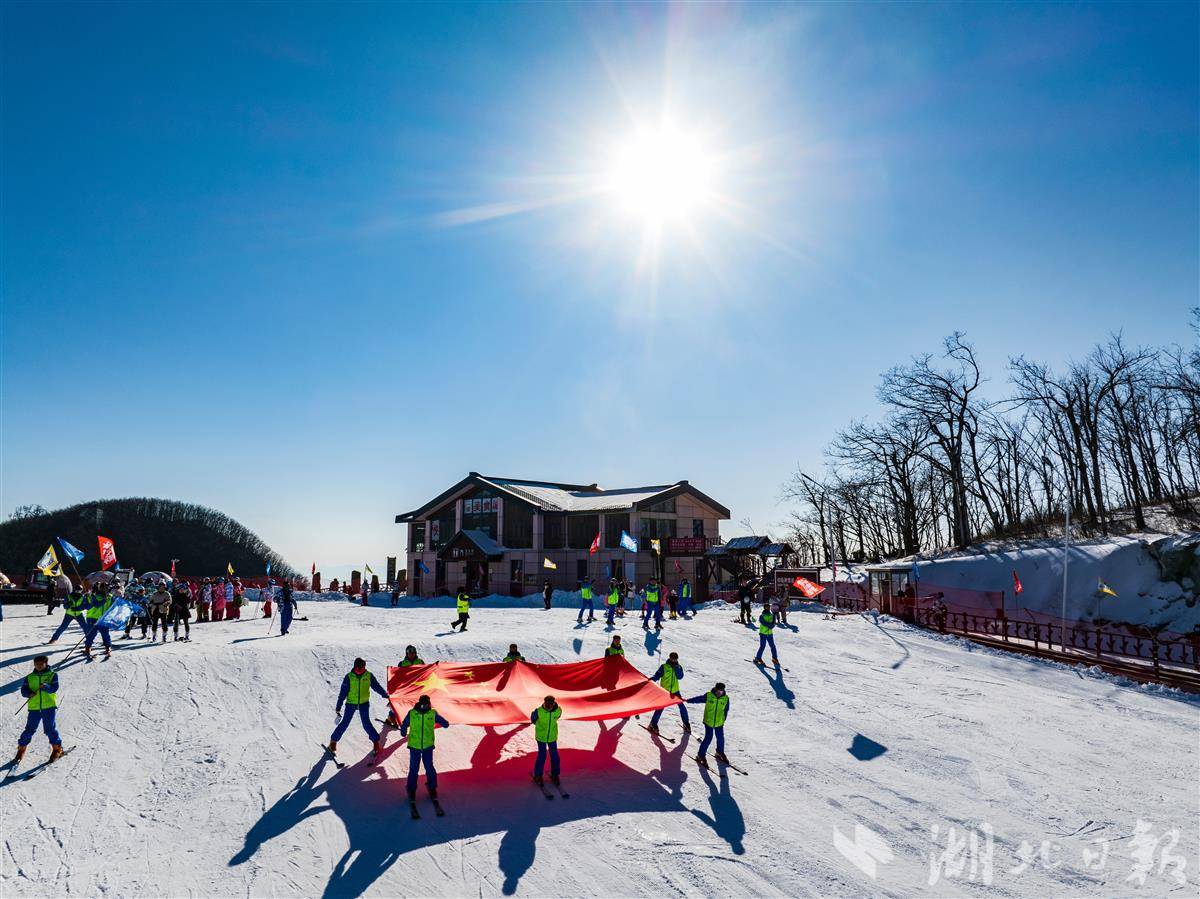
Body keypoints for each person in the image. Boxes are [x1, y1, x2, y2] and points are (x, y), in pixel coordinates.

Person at [327, 657, 388, 757]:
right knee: (345, 723)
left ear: (364, 666)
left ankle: (376, 741)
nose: (360, 669)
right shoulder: (349, 677)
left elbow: (376, 686)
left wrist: (384, 694)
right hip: (351, 703)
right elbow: (342, 693)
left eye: (362, 667)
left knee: (366, 724)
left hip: (364, 703)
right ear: (354, 667)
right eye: (358, 667)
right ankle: (333, 742)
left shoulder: (368, 675)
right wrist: (338, 706)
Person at [400, 694, 450, 805]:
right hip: (414, 746)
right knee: (414, 768)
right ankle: (411, 789)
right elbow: (405, 723)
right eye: (424, 704)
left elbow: (444, 723)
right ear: (420, 703)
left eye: (427, 704)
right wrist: (403, 731)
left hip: (427, 746)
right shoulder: (412, 713)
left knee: (429, 767)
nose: (426, 706)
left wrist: (444, 723)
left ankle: (432, 787)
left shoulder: (432, 713)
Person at [13, 656, 63, 765]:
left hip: (48, 707)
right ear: (34, 664)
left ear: (46, 663)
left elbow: (54, 688)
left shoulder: (53, 675)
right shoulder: (29, 677)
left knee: (50, 729)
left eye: (41, 664)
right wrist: (29, 694)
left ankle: (57, 748)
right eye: (37, 664)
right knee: (29, 730)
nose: (39, 666)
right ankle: (21, 749)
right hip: (34, 708)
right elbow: (23, 691)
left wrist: (46, 686)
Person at [687, 682, 730, 767]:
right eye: (718, 690)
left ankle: (720, 752)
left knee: (720, 738)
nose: (719, 693)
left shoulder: (726, 699)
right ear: (715, 689)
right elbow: (699, 699)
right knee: (708, 738)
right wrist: (689, 700)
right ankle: (701, 755)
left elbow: (726, 710)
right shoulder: (709, 695)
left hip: (719, 723)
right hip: (708, 722)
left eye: (721, 691)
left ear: (723, 691)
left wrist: (723, 719)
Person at [647, 651, 690, 733]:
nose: (674, 660)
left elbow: (680, 677)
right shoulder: (664, 667)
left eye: (675, 659)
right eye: (672, 659)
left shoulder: (679, 667)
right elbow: (657, 675)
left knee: (682, 707)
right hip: (665, 691)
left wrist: (677, 668)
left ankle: (686, 723)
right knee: (660, 708)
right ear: (669, 658)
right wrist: (652, 679)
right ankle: (653, 724)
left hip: (675, 691)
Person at [384, 646, 425, 726]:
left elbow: (425, 672)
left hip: (416, 687)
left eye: (413, 653)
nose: (411, 654)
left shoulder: (420, 661)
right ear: (407, 653)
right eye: (410, 653)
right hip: (406, 687)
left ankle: (413, 720)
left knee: (415, 704)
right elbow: (397, 675)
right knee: (399, 702)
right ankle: (391, 717)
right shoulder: (402, 663)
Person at [530, 695, 563, 786]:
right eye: (546, 704)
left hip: (552, 737)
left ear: (553, 704)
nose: (548, 707)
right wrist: (539, 725)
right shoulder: (538, 711)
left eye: (550, 705)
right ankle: (538, 775)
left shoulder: (557, 711)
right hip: (541, 738)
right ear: (544, 703)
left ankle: (555, 774)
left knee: (555, 756)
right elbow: (533, 719)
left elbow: (559, 715)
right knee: (542, 755)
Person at [83, 583, 115, 659]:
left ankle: (108, 647)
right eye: (104, 588)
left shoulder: (110, 597)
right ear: (99, 588)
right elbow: (95, 604)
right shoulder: (93, 596)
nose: (106, 590)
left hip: (103, 619)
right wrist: (104, 600)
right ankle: (87, 647)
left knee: (105, 634)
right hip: (92, 618)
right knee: (91, 634)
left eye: (107, 588)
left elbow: (114, 606)